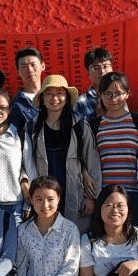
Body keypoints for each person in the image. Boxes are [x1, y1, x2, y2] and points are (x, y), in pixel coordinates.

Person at [28, 76, 100, 231]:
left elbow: (92, 162)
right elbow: (27, 162)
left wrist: (91, 197)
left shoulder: (79, 125)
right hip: (44, 197)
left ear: (67, 98)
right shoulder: (32, 127)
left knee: (74, 236)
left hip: (74, 195)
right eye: (49, 94)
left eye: (60, 93)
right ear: (42, 98)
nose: (55, 98)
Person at [89, 72, 138, 226]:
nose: (113, 98)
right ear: (100, 95)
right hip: (105, 195)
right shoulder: (94, 126)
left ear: (127, 93)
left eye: (118, 93)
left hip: (134, 194)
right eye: (107, 93)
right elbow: (85, 158)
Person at [0, 89, 33, 224]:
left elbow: (29, 168)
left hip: (17, 205)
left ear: (9, 110)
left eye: (2, 108)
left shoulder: (20, 135)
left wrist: (28, 204)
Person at [9, 47, 46, 132]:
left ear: (43, 66)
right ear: (18, 72)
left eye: (33, 64)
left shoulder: (54, 96)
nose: (29, 70)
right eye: (24, 66)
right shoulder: (16, 105)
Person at [74, 47, 114, 123]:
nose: (102, 71)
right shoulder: (81, 102)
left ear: (112, 68)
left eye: (105, 66)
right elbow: (79, 129)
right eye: (96, 68)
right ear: (88, 72)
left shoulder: (119, 96)